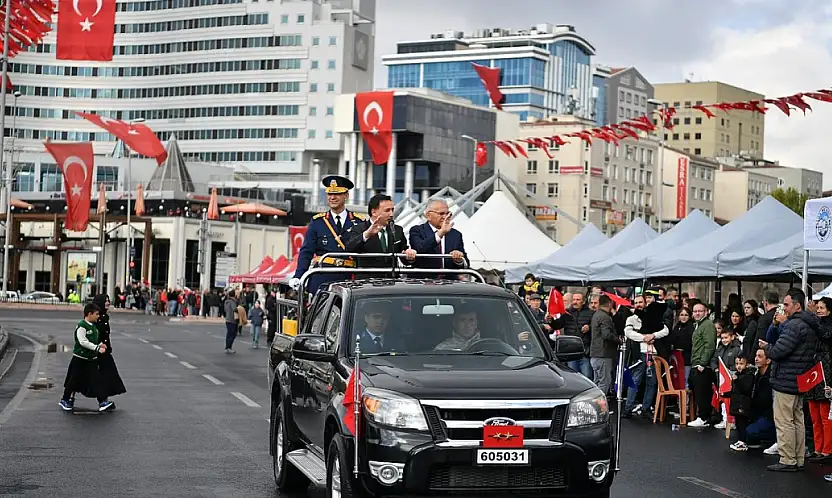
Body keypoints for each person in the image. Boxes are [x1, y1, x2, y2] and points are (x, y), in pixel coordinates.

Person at [760, 288, 819, 472]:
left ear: (797, 305)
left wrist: (767, 348)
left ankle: (787, 459)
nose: (783, 308)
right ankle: (798, 458)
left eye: (786, 304)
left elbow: (779, 351)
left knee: (785, 421)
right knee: (797, 420)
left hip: (787, 379)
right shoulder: (809, 323)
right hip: (799, 379)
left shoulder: (794, 326)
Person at [290, 175, 365, 294]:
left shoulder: (358, 221)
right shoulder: (317, 222)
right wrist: (298, 275)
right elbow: (306, 251)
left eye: (337, 194)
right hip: (322, 277)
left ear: (346, 195)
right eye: (330, 194)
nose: (332, 197)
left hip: (348, 277)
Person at [59, 303, 115, 412]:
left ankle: (102, 402)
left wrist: (99, 345)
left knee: (96, 380)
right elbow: (83, 342)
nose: (98, 316)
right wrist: (97, 348)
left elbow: (93, 341)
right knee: (73, 380)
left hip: (91, 360)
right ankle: (65, 399)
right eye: (96, 314)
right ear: (89, 314)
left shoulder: (93, 327)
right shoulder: (82, 326)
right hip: (80, 359)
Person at [343, 193, 416, 269]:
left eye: (392, 210)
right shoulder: (359, 229)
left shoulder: (397, 230)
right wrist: (367, 235)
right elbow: (349, 249)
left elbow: (404, 257)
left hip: (391, 278)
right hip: (367, 278)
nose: (391, 214)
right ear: (374, 212)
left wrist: (409, 256)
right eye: (387, 210)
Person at [727, 349, 776, 452]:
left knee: (749, 432)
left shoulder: (769, 377)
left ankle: (772, 439)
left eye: (760, 356)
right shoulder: (757, 375)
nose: (756, 359)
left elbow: (763, 400)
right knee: (742, 428)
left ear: (768, 360)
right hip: (756, 412)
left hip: (768, 415)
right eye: (756, 356)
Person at [408, 199, 467, 270]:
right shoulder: (417, 230)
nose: (445, 217)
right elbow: (420, 248)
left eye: (448, 213)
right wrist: (440, 233)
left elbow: (466, 263)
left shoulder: (456, 235)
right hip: (425, 279)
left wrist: (459, 261)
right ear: (428, 216)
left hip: (449, 279)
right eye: (441, 213)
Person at [92, 294, 126, 405]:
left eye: (108, 300)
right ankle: (67, 398)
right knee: (86, 377)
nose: (108, 302)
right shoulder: (95, 318)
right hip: (96, 351)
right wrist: (98, 346)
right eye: (105, 301)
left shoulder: (105, 317)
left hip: (105, 351)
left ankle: (103, 400)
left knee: (107, 375)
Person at [688, 302, 717, 428]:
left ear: (706, 312)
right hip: (696, 362)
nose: (697, 313)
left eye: (700, 311)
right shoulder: (698, 325)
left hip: (702, 364)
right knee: (699, 391)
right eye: (695, 311)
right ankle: (703, 416)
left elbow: (709, 345)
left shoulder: (708, 325)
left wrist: (702, 363)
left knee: (702, 392)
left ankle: (703, 417)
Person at [223, 290, 239, 354]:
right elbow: (235, 309)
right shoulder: (233, 302)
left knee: (229, 334)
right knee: (233, 334)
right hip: (233, 320)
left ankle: (227, 347)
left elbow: (225, 310)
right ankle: (229, 347)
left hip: (228, 319)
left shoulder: (226, 302)